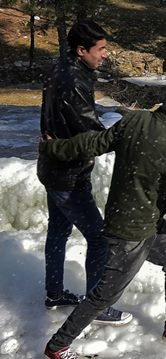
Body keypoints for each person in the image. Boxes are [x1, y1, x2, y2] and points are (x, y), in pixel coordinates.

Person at [39, 87, 166, 359]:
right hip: (130, 232)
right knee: (104, 295)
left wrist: (53, 147)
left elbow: (92, 143)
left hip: (147, 223)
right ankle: (57, 346)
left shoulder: (136, 120)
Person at [38, 20, 132, 326]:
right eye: (101, 49)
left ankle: (54, 293)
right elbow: (94, 133)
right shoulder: (75, 81)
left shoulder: (60, 68)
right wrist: (132, 135)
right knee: (100, 238)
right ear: (82, 50)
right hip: (68, 173)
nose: (105, 54)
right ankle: (98, 306)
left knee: (59, 230)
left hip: (53, 167)